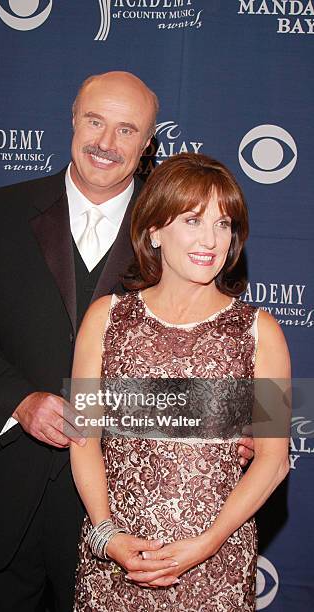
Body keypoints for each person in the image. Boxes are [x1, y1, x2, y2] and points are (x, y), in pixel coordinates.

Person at [0, 72, 254, 611]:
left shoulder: (178, 227)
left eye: (126, 129)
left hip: (123, 518)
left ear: (149, 142)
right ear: (72, 120)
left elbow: (218, 343)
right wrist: (20, 399)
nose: (106, 143)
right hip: (3, 494)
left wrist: (237, 423)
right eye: (94, 122)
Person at [70, 153, 290, 611]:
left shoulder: (258, 331)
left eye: (224, 224)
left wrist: (207, 543)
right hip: (115, 561)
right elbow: (83, 437)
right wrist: (106, 534)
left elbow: (273, 458)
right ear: (154, 229)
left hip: (217, 563)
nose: (211, 240)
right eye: (193, 220)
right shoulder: (106, 319)